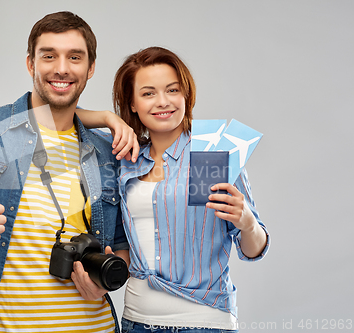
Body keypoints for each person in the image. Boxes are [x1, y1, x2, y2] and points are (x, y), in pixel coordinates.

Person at [0, 11, 136, 333]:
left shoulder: (107, 152)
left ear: (90, 68)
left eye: (74, 57)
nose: (62, 68)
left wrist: (106, 284)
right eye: (48, 55)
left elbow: (122, 245)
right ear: (30, 64)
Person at [112, 47, 270, 333]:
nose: (163, 102)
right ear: (132, 103)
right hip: (136, 321)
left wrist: (247, 222)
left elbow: (254, 249)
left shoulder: (210, 154)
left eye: (172, 90)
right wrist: (108, 119)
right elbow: (64, 117)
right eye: (148, 93)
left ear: (185, 94)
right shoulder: (127, 159)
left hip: (204, 323)